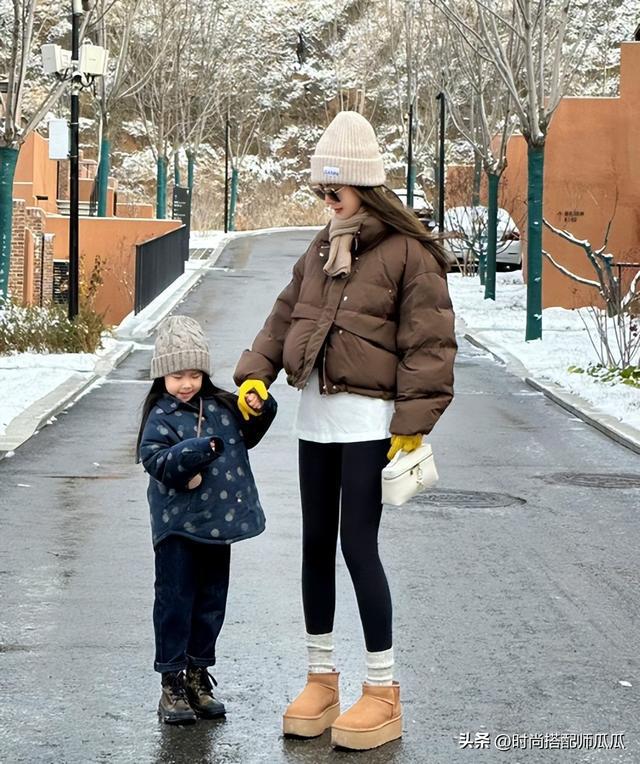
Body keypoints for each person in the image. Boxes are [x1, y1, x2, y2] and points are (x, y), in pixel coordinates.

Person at [234, 111, 457, 750]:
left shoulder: (407, 253)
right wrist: (256, 374)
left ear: (365, 185)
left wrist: (412, 424)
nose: (325, 202)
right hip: (315, 420)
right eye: (320, 192)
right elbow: (283, 320)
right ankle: (321, 678)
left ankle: (382, 689)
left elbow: (431, 344)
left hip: (367, 423)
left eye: (334, 190)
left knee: (358, 546)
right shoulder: (319, 247)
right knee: (313, 548)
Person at [138, 315, 276, 725]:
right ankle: (172, 684)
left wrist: (260, 407)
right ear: (162, 374)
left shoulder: (219, 406)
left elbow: (250, 433)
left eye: (194, 374)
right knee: (175, 602)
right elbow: (155, 459)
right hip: (178, 528)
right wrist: (197, 450)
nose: (186, 383)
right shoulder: (160, 416)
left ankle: (198, 675)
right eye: (177, 374)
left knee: (211, 603)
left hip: (218, 526)